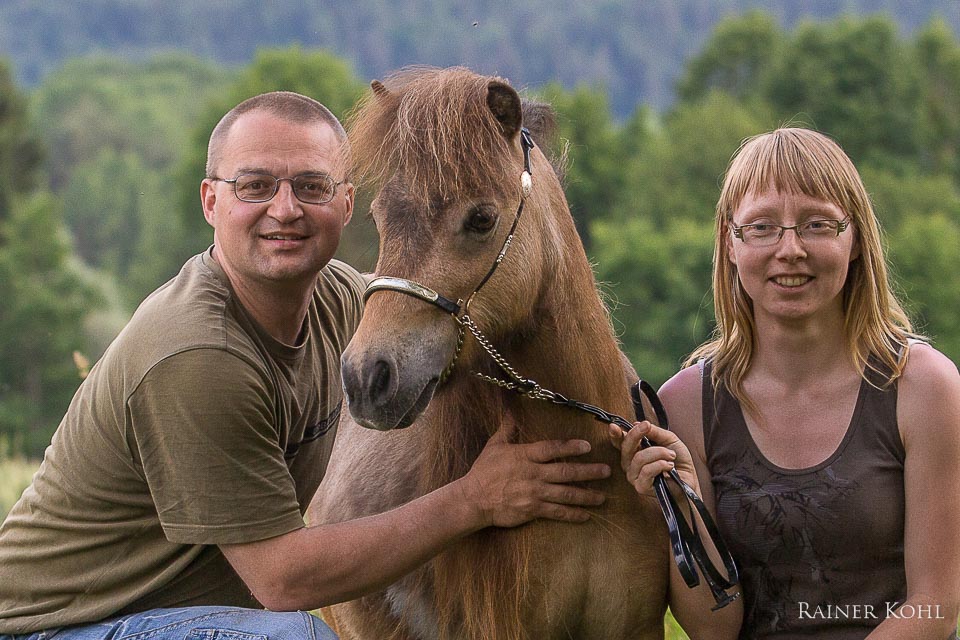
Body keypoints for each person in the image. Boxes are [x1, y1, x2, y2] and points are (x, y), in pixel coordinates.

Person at [0, 91, 613, 640]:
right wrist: (476, 500)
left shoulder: (336, 300)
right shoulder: (197, 353)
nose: (286, 209)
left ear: (347, 206)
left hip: (178, 615)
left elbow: (446, 316)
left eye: (312, 187)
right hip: (62, 625)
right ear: (211, 201)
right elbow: (282, 583)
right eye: (255, 186)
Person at [612, 127, 960, 639]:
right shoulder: (685, 406)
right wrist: (682, 502)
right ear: (730, 245)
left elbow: (936, 604)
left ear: (857, 240)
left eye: (818, 224)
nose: (790, 249)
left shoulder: (923, 387)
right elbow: (715, 630)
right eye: (761, 227)